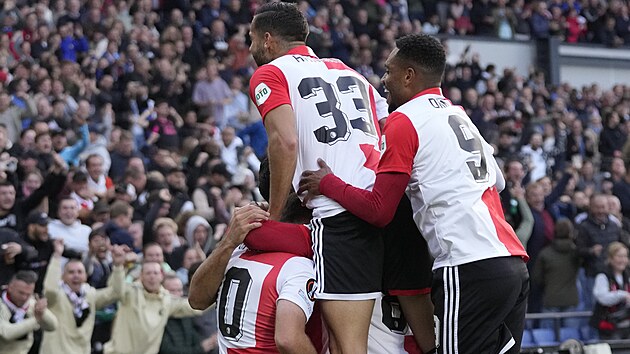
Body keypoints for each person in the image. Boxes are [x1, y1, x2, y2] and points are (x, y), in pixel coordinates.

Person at [298, 34, 529, 354]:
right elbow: (498, 182)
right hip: (512, 262)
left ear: (409, 75)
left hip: (467, 265)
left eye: (389, 71)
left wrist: (328, 183)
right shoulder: (458, 113)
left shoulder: (404, 120)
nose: (384, 79)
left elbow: (379, 211)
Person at [247, 3, 388, 351]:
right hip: (385, 206)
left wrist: (275, 213)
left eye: (250, 38)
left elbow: (284, 141)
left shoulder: (270, 73)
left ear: (267, 40)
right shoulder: (350, 72)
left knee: (347, 346)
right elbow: (388, 131)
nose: (249, 48)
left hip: (341, 219)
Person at [189, 203, 323, 353]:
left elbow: (196, 300)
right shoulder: (299, 266)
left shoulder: (237, 251)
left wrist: (228, 242)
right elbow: (288, 339)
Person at [40, 239, 126, 354]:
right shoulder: (56, 296)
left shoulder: (90, 295)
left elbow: (116, 293)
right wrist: (56, 256)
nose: (76, 276)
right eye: (71, 272)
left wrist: (118, 266)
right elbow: (50, 290)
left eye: (80, 272)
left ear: (86, 276)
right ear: (63, 277)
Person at [103, 261, 204, 354]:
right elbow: (115, 290)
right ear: (141, 276)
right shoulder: (130, 292)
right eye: (148, 273)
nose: (152, 277)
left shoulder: (167, 300)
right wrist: (118, 266)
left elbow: (195, 307)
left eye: (155, 273)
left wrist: (215, 296)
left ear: (161, 276)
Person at [0, 271, 57, 354]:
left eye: (28, 294)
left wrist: (42, 311)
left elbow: (53, 326)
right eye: (21, 293)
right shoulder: (1, 303)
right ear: (10, 287)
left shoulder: (31, 303)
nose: (24, 298)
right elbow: (7, 333)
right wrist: (36, 319)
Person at [591, 242, 630, 339]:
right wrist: (623, 295)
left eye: (625, 256)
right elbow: (603, 298)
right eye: (619, 256)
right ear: (611, 258)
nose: (623, 260)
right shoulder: (603, 276)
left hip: (626, 325)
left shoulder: (627, 276)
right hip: (607, 326)